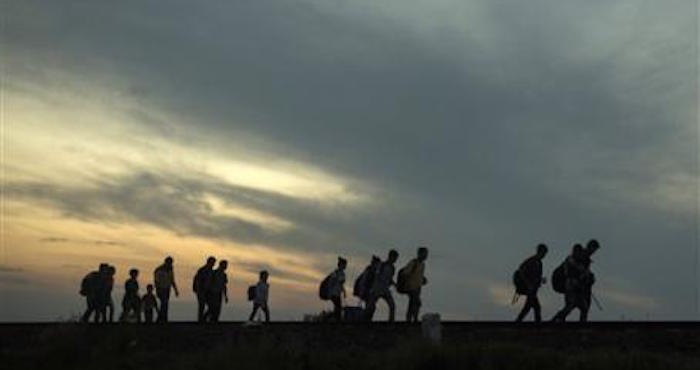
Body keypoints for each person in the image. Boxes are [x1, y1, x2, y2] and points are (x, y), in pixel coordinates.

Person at [551, 240, 600, 322]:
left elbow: (584, 273)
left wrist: (588, 277)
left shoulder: (586, 258)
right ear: (591, 247)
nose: (594, 252)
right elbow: (571, 263)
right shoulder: (580, 254)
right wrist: (584, 273)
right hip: (571, 284)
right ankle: (556, 320)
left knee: (582, 307)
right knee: (571, 306)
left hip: (577, 286)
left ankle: (558, 320)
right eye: (594, 249)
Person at [515, 244, 548, 322]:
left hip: (533, 289)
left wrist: (540, 280)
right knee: (536, 307)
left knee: (528, 307)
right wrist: (528, 284)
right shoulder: (532, 261)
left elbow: (535, 277)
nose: (544, 255)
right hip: (530, 289)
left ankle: (518, 321)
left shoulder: (539, 263)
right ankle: (537, 325)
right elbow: (521, 270)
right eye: (544, 253)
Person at [365, 250, 399, 322]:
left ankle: (391, 321)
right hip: (377, 289)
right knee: (370, 306)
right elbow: (376, 276)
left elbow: (390, 279)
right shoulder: (382, 265)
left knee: (392, 305)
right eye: (395, 258)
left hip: (385, 290)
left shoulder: (392, 268)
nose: (395, 260)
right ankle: (366, 320)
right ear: (390, 256)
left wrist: (394, 284)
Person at [402, 247, 428, 323]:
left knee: (415, 304)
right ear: (420, 254)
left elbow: (419, 275)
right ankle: (411, 319)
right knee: (415, 303)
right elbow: (405, 273)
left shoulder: (422, 265)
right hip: (411, 287)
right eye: (425, 254)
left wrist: (423, 279)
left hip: (418, 288)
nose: (426, 256)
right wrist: (407, 284)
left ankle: (412, 319)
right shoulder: (413, 263)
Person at [154, 256, 179, 323]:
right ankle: (162, 319)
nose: (170, 264)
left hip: (167, 289)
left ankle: (163, 319)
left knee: (165, 304)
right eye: (169, 262)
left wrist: (175, 290)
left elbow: (172, 280)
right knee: (164, 304)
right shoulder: (159, 270)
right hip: (161, 289)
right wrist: (157, 289)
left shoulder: (170, 269)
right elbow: (156, 281)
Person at [193, 256, 216, 322]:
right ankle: (201, 320)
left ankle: (203, 318)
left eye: (214, 263)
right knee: (202, 306)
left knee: (211, 306)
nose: (213, 264)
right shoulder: (202, 270)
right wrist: (198, 290)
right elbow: (197, 280)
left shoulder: (211, 271)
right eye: (212, 262)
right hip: (201, 291)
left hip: (208, 291)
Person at [328, 257, 347, 321]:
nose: (345, 266)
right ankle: (334, 319)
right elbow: (331, 283)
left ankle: (335, 319)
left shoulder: (342, 274)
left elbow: (341, 284)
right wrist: (330, 292)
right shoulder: (335, 273)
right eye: (344, 265)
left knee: (338, 307)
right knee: (338, 306)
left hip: (338, 293)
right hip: (334, 293)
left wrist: (344, 292)